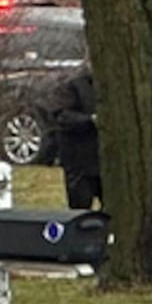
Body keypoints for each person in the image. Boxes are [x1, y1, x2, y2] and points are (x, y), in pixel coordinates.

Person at [51, 66, 101, 211]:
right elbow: (62, 116)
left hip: (105, 162)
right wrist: (90, 120)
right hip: (79, 162)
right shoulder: (73, 86)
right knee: (80, 211)